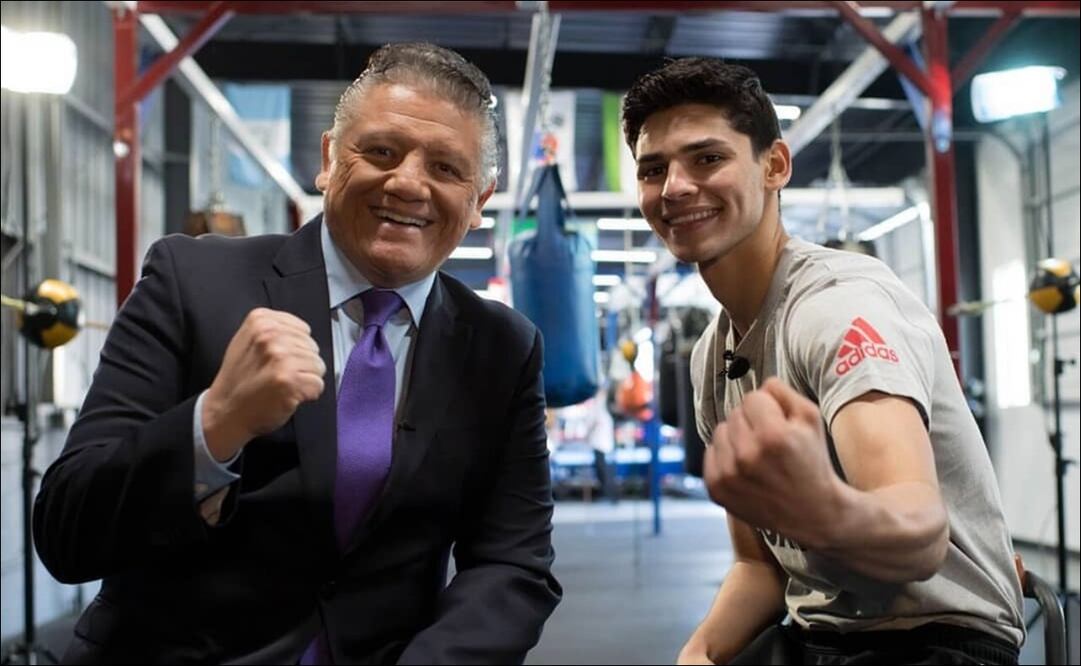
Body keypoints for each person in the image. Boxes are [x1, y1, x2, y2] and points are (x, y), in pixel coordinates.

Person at [33, 43, 561, 664]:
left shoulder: (502, 348)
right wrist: (215, 424)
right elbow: (68, 531)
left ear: (481, 201)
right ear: (330, 157)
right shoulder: (193, 280)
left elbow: (513, 562)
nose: (408, 183)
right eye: (382, 152)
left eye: (447, 169)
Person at [622, 58, 1024, 665]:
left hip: (935, 642)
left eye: (707, 159)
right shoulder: (712, 358)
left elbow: (918, 531)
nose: (674, 187)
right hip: (819, 639)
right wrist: (697, 653)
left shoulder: (836, 307)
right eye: (654, 170)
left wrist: (823, 511)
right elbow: (757, 564)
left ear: (775, 165)